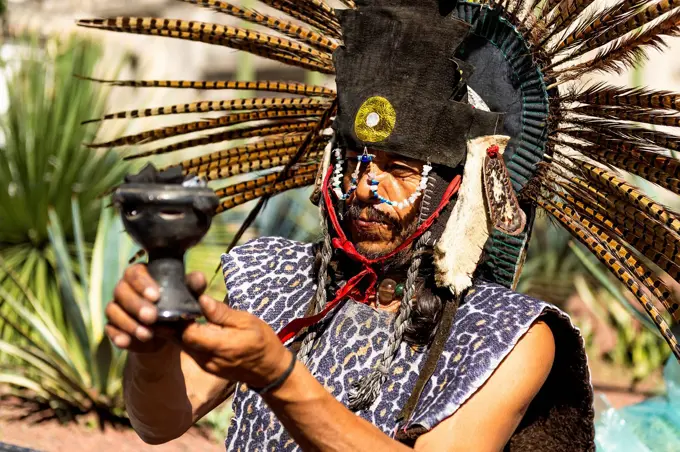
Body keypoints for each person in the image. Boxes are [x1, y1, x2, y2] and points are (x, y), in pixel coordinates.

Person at [81, 0, 680, 450]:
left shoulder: (514, 338)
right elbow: (158, 422)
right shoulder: (275, 283)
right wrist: (153, 349)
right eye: (355, 162)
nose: (368, 187)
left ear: (456, 187)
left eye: (399, 169)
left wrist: (280, 376)